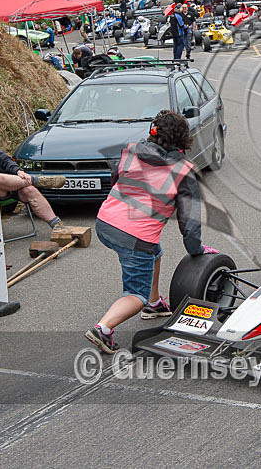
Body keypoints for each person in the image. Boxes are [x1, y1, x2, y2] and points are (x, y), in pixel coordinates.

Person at [85, 110, 218, 354]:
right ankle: (103, 329)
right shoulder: (183, 170)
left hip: (104, 223)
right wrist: (196, 250)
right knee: (136, 294)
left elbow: (116, 178)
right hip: (135, 237)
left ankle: (155, 304)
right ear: (183, 139)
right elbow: (189, 219)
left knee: (154, 252)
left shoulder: (131, 150)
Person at [0, 127, 65, 228]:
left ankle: (57, 225)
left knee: (29, 190)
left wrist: (19, 171)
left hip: (7, 183)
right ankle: (36, 180)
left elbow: (4, 159)